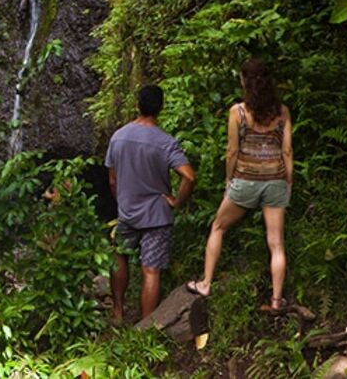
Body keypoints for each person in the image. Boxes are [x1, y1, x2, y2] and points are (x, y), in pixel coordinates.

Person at [185, 59, 294, 311]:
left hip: (245, 180)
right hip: (275, 180)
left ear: (244, 81)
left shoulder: (238, 112)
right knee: (276, 243)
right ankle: (276, 300)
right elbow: (287, 151)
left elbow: (232, 150)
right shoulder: (282, 112)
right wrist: (288, 181)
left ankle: (206, 283)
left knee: (218, 227)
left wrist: (228, 179)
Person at [105, 84, 197, 321]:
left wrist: (122, 201)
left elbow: (112, 180)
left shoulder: (118, 137)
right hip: (156, 215)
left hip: (127, 211)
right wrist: (177, 202)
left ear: (138, 105)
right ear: (161, 107)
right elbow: (189, 176)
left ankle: (117, 311)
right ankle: (145, 328)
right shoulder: (164, 141)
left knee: (119, 256)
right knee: (151, 271)